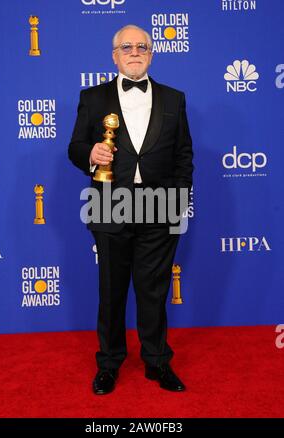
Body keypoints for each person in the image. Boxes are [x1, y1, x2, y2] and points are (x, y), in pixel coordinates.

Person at [68, 24, 193, 395]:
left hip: (159, 207)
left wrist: (179, 202)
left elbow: (184, 155)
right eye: (127, 47)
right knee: (111, 290)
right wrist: (90, 154)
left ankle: (157, 362)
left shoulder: (174, 99)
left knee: (153, 290)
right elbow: (75, 147)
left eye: (142, 46)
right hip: (109, 205)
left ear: (151, 53)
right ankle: (109, 364)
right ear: (115, 55)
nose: (135, 52)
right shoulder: (92, 98)